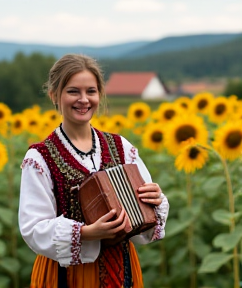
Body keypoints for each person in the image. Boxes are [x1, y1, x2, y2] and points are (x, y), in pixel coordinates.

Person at [18, 54, 169, 288]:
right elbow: (33, 229)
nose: (83, 99)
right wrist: (86, 233)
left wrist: (154, 199)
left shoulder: (121, 147)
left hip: (121, 267)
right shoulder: (40, 157)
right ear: (54, 95)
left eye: (91, 91)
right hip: (65, 274)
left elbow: (145, 217)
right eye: (73, 91)